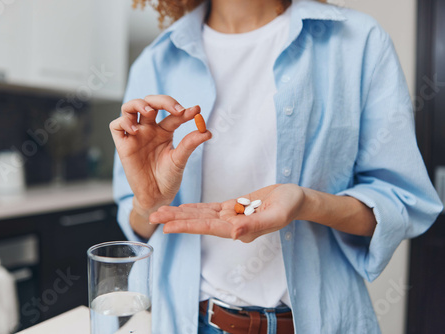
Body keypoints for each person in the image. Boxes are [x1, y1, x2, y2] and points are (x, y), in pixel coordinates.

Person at [110, 0, 443, 333]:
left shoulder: (358, 40)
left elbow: (400, 203)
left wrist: (307, 203)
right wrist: (148, 203)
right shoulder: (156, 61)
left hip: (318, 323)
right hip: (190, 322)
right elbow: (140, 225)